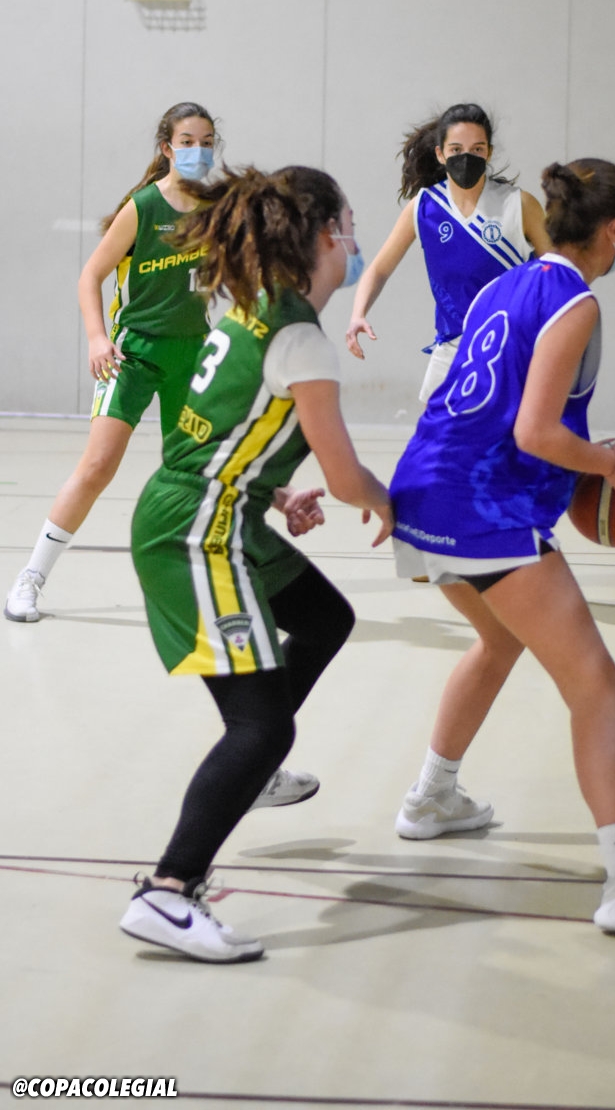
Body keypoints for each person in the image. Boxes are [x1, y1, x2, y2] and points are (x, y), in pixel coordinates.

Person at [388, 159, 615, 936]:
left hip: (423, 488)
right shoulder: (575, 303)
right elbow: (535, 432)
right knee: (596, 684)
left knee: (497, 643)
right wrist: (608, 464)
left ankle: (432, 798)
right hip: (479, 506)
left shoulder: (504, 286)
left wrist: (590, 455)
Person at [119, 165, 393, 964]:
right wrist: (399, 506)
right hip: (197, 533)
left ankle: (252, 766)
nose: (356, 237)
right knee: (264, 723)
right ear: (325, 234)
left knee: (323, 617)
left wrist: (272, 492)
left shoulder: (253, 305)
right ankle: (168, 892)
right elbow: (347, 478)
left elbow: (220, 427)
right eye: (349, 222)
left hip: (215, 508)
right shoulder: (302, 338)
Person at [5, 102, 222, 625]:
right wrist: (97, 337)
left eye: (206, 141)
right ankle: (30, 577)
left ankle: (189, 585)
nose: (198, 150)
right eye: (187, 142)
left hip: (193, 353)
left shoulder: (217, 209)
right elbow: (90, 275)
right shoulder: (142, 206)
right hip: (134, 353)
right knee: (98, 466)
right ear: (167, 148)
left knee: (191, 476)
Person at [345, 103, 551, 401]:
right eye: (456, 149)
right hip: (452, 346)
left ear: (489, 152)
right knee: (432, 428)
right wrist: (358, 314)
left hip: (512, 345)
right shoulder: (424, 207)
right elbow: (379, 269)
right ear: (440, 154)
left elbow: (557, 274)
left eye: (477, 149)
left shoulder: (520, 205)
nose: (467, 157)